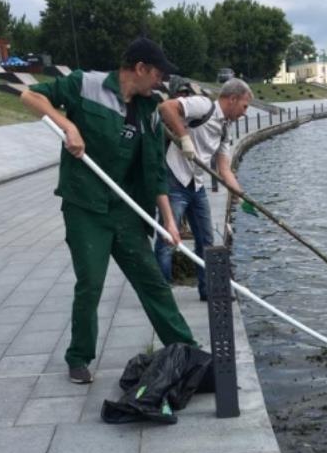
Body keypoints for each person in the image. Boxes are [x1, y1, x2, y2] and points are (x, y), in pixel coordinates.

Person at [20, 37, 196, 384]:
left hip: (126, 210)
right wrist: (68, 126)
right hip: (86, 206)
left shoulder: (149, 110)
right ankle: (79, 357)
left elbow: (154, 173)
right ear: (140, 68)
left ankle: (186, 349)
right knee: (91, 284)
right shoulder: (85, 85)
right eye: (158, 74)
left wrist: (170, 223)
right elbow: (30, 96)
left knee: (153, 282)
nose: (160, 83)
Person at [155, 77, 253, 300]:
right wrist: (184, 137)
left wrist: (239, 193)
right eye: (244, 106)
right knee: (168, 238)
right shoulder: (203, 106)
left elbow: (224, 169)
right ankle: (160, 294)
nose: (245, 112)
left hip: (196, 185)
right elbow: (166, 107)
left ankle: (208, 291)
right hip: (175, 178)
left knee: (206, 240)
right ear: (232, 99)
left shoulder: (225, 129)